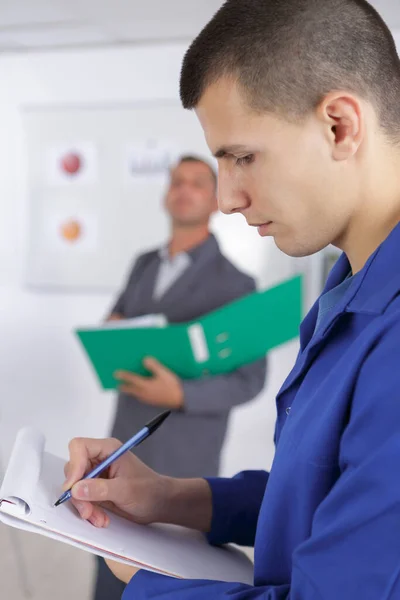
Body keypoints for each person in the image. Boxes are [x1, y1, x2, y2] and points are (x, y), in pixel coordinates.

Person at [62, 0, 400, 597]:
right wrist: (170, 496)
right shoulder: (348, 286)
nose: (226, 199)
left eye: (243, 157)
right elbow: (321, 490)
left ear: (339, 127)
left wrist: (143, 581)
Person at [93, 154, 267, 600]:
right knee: (106, 556)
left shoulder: (238, 284)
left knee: (166, 576)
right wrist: (110, 332)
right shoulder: (143, 263)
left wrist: (181, 392)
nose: (183, 189)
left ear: (213, 200)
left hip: (184, 455)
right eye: (176, 182)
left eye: (195, 183)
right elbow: (120, 323)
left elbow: (250, 380)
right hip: (124, 437)